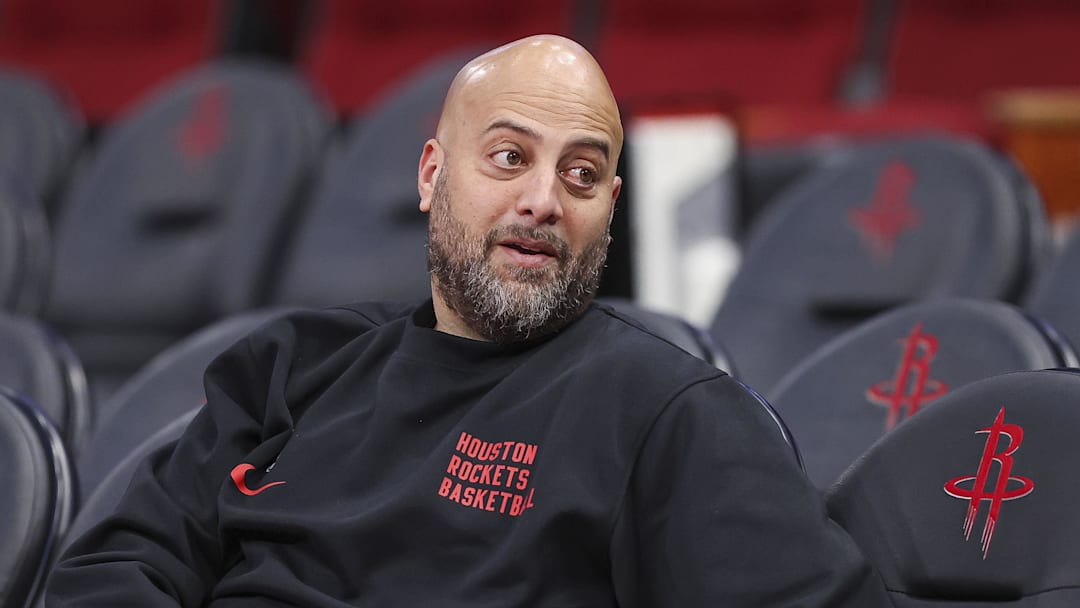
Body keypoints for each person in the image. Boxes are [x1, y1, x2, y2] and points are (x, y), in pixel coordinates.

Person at [46, 35, 893, 606]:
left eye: (583, 175)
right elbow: (118, 563)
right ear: (430, 177)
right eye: (509, 157)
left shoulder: (670, 414)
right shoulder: (295, 367)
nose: (542, 201)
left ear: (611, 210)